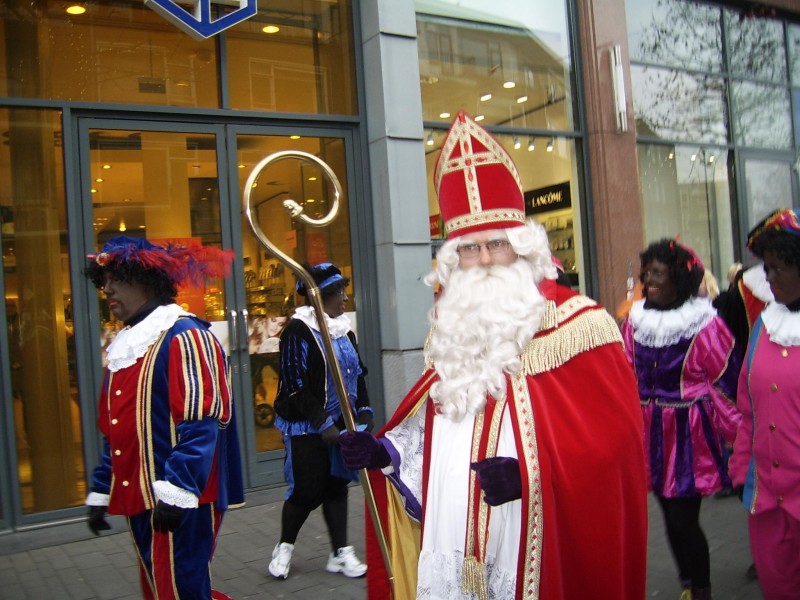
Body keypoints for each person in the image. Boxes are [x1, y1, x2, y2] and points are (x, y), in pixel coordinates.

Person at [339, 111, 649, 600]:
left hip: (530, 542)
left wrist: (533, 479)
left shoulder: (582, 326)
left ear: (523, 250)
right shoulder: (451, 331)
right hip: (451, 535)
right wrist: (386, 453)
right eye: (469, 248)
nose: (483, 260)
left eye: (497, 244)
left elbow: (618, 453)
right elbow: (437, 429)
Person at [83, 235, 244, 600]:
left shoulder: (185, 336)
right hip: (139, 499)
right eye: (102, 281)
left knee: (181, 588)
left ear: (145, 279)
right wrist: (101, 488)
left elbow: (201, 425)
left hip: (180, 501)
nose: (106, 288)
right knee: (159, 587)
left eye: (116, 279)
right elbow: (117, 433)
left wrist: (178, 490)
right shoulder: (125, 346)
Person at [621, 239, 742, 600]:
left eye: (658, 272)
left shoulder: (704, 325)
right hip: (648, 430)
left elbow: (725, 381)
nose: (649, 278)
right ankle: (688, 584)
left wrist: (738, 438)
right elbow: (625, 373)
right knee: (668, 518)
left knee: (682, 520)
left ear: (679, 278)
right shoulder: (635, 321)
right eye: (647, 271)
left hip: (688, 434)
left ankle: (701, 590)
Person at [267, 262, 374, 581]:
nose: (345, 298)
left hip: (341, 423)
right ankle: (284, 546)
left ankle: (339, 553)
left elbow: (358, 373)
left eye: (344, 291)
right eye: (339, 293)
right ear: (320, 297)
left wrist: (364, 409)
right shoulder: (297, 331)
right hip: (307, 424)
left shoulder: (344, 329)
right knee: (306, 491)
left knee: (337, 486)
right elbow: (294, 383)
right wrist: (321, 421)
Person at [729, 208, 800, 600]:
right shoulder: (764, 325)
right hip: (767, 502)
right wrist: (742, 468)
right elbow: (747, 409)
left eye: (779, 268)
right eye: (767, 268)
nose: (768, 279)